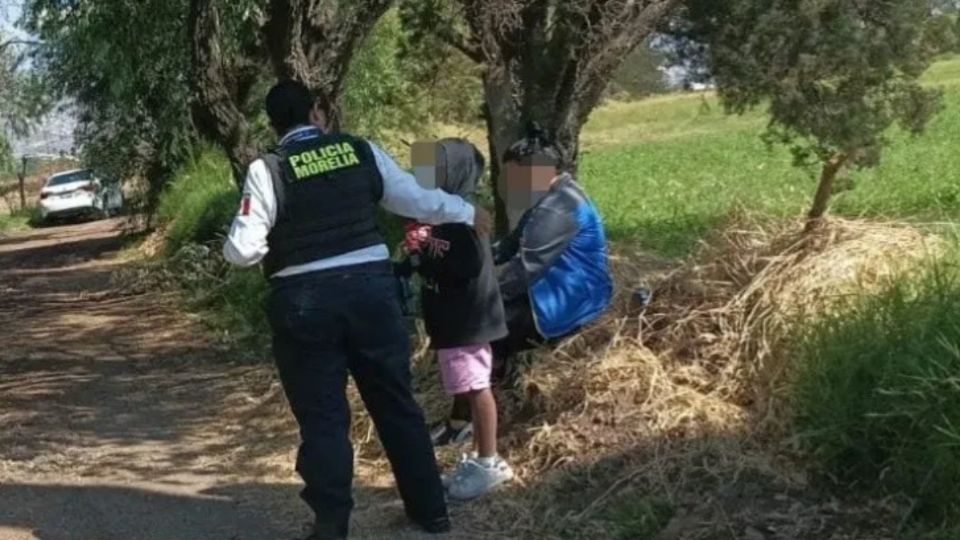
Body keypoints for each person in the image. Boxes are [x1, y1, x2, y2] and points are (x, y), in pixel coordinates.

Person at [222, 80, 492, 540]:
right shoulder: (359, 149)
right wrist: (466, 212)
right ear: (317, 113)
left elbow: (242, 251)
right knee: (396, 405)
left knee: (323, 418)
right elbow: (415, 199)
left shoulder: (267, 170)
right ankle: (431, 512)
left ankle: (331, 526)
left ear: (273, 123)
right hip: (371, 293)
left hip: (303, 302)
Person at [431, 125, 614, 446]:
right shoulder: (553, 198)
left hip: (566, 302)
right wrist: (470, 254)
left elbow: (524, 270)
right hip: (565, 292)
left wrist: (479, 300)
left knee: (476, 329)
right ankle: (478, 406)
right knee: (485, 321)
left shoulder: (559, 208)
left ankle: (464, 421)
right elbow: (507, 248)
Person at [395, 138, 514, 500]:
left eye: (437, 169)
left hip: (469, 319)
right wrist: (418, 249)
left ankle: (489, 462)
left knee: (478, 388)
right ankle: (479, 456)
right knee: (470, 386)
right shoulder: (442, 216)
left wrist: (423, 259)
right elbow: (437, 256)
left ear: (455, 174)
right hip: (453, 320)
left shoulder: (466, 218)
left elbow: (465, 266)